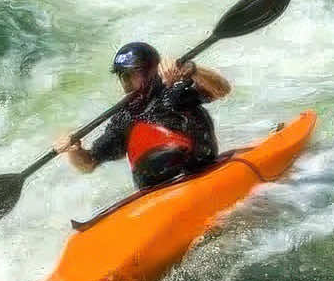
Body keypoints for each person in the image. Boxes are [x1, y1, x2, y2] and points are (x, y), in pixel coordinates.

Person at [53, 42, 232, 189]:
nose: (126, 82)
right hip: (156, 193)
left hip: (201, 174)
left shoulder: (175, 92)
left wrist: (192, 70)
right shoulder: (124, 118)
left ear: (151, 70)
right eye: (122, 76)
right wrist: (74, 151)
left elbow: (222, 89)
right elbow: (89, 163)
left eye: (132, 74)